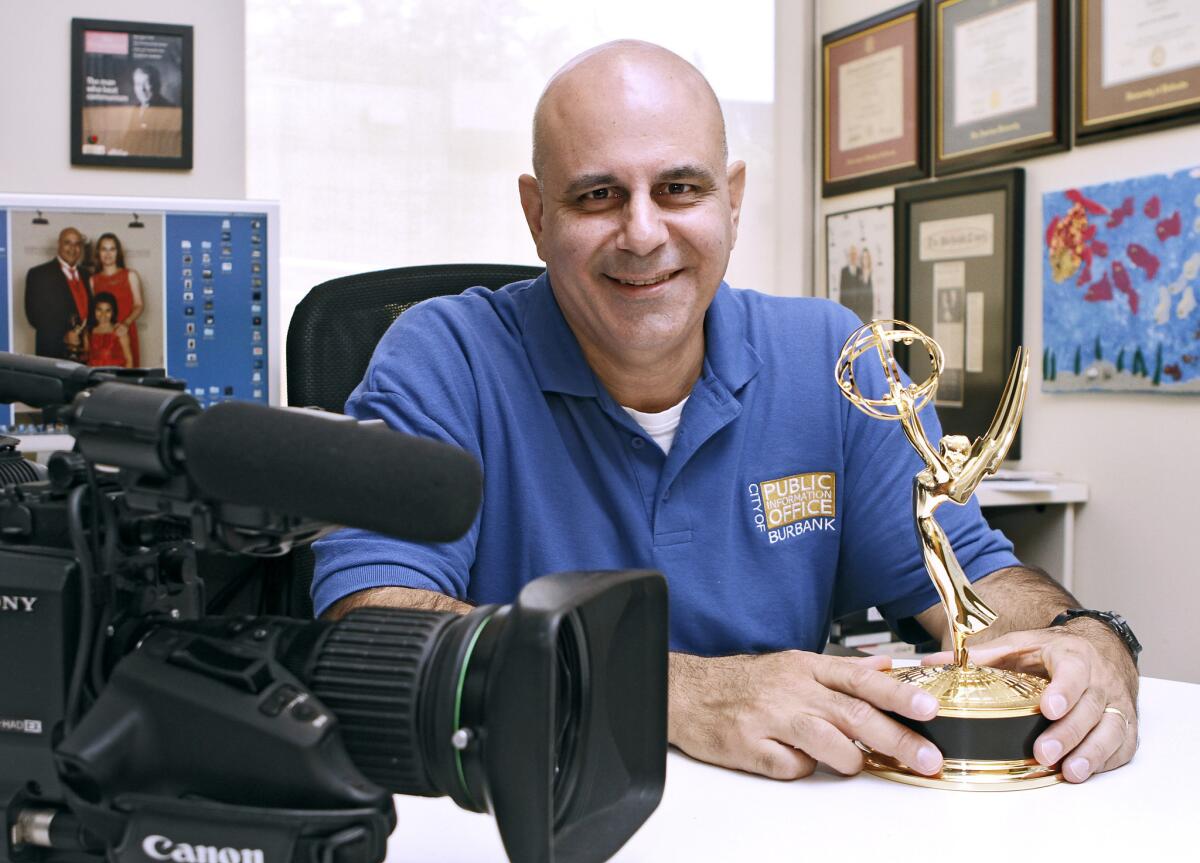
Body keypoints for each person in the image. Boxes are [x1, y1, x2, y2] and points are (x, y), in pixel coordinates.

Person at [313, 41, 1139, 785]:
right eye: (598, 195)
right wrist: (673, 690)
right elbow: (371, 632)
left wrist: (1086, 638)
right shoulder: (443, 356)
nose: (643, 232)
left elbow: (976, 578)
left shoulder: (830, 357)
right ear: (537, 215)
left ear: (732, 200)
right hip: (538, 819)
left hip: (779, 839)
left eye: (679, 187)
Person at [24, 227, 90, 359]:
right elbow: (34, 316)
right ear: (59, 244)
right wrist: (64, 336)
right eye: (67, 243)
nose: (72, 248)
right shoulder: (39, 274)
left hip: (85, 353)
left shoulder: (87, 275)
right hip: (53, 352)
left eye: (77, 244)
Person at [90, 232, 145, 366]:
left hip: (125, 330)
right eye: (104, 249)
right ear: (98, 252)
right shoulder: (93, 280)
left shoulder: (130, 275)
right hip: (104, 336)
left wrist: (126, 323)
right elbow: (95, 312)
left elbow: (139, 305)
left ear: (118, 252)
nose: (108, 254)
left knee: (129, 371)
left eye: (112, 249)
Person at [84, 292, 133, 368]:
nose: (103, 314)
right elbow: (86, 357)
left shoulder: (119, 331)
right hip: (95, 376)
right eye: (99, 309)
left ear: (113, 312)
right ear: (94, 310)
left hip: (115, 377)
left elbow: (129, 360)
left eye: (108, 310)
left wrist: (124, 379)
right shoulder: (88, 332)